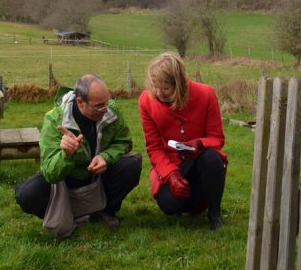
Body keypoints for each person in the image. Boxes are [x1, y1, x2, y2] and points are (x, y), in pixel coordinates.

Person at [15, 74, 142, 237]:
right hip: (66, 182)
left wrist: (105, 157)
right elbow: (49, 172)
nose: (105, 109)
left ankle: (105, 211)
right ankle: (68, 214)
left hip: (98, 177)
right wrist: (66, 156)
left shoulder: (111, 111)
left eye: (107, 102)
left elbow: (124, 142)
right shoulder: (55, 119)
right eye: (99, 106)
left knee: (131, 165)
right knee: (27, 194)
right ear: (80, 102)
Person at [138, 52, 227, 231]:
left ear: (179, 84)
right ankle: (187, 203)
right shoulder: (146, 101)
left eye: (165, 89)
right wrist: (170, 175)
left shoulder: (206, 94)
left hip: (200, 162)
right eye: (155, 86)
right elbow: (154, 148)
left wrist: (200, 144)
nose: (158, 93)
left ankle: (214, 214)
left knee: (212, 158)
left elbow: (217, 138)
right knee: (169, 205)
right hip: (171, 164)